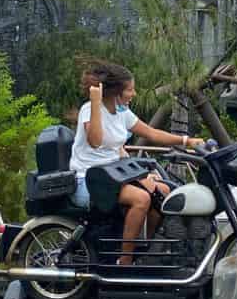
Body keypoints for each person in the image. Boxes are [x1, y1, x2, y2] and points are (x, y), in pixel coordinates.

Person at [69, 61, 203, 265]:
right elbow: (95, 141)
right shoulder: (90, 110)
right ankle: (125, 260)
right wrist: (95, 102)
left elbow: (151, 133)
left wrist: (186, 141)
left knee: (163, 190)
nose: (134, 94)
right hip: (87, 180)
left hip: (113, 175)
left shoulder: (121, 112)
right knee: (141, 198)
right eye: (130, 90)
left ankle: (146, 251)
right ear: (116, 92)